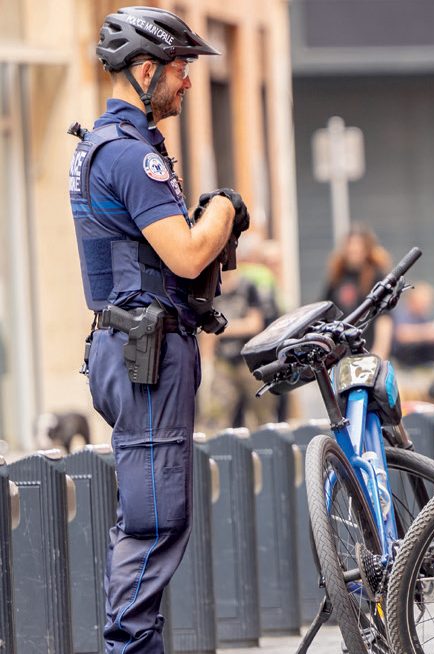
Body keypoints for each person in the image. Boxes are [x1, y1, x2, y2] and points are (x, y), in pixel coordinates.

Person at [69, 7, 247, 652]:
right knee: (153, 518)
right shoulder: (126, 155)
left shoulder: (115, 144)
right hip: (145, 352)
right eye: (180, 69)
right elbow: (187, 255)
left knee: (150, 515)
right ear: (144, 70)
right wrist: (224, 208)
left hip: (135, 346)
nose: (188, 84)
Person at [197, 271, 276, 432]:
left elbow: (255, 324)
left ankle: (268, 453)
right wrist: (206, 366)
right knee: (215, 418)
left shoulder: (247, 286)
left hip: (250, 363)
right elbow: (205, 334)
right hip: (223, 363)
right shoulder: (209, 290)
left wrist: (221, 330)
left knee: (264, 418)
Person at [322, 226, 392, 358]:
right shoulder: (337, 277)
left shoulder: (377, 277)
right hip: (340, 355)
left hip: (366, 351)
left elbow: (384, 318)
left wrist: (380, 352)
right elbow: (325, 315)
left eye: (358, 245)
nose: (354, 249)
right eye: (350, 244)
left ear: (367, 248)